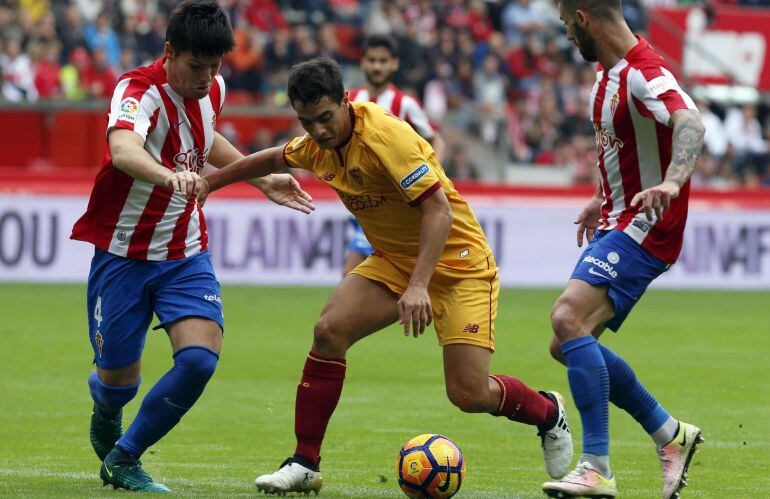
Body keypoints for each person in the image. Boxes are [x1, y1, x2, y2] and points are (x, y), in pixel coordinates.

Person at [190, 57, 573, 495]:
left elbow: (438, 211)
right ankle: (305, 462)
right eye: (306, 121)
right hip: (394, 260)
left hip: (460, 264)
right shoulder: (319, 145)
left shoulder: (386, 138)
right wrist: (212, 183)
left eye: (324, 118)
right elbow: (274, 157)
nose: (317, 130)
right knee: (328, 331)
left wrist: (418, 286)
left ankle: (547, 412)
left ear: (346, 102)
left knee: (468, 394)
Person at [70, 1, 314, 492]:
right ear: (169, 52)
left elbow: (205, 138)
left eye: (216, 66)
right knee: (120, 381)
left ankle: (125, 457)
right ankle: (106, 406)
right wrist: (169, 177)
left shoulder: (214, 87)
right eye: (197, 66)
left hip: (185, 251)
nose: (208, 78)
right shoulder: (136, 90)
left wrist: (258, 179)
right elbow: (122, 151)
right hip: (124, 253)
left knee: (200, 360)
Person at [542, 1, 706, 497]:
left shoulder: (644, 72)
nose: (567, 35)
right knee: (567, 344)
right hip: (617, 218)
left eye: (567, 24)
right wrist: (600, 195)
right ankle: (670, 434)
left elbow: (691, 123)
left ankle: (596, 467)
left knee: (568, 318)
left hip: (649, 223)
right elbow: (624, 145)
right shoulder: (604, 77)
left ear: (584, 16)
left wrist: (673, 184)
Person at [341, 34, 447, 276]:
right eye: (372, 60)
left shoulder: (405, 103)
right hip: (365, 201)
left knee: (353, 274)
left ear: (394, 64)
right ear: (363, 62)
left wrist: (433, 175)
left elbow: (434, 139)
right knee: (354, 277)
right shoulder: (349, 100)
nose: (377, 66)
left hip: (397, 203)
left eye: (383, 61)